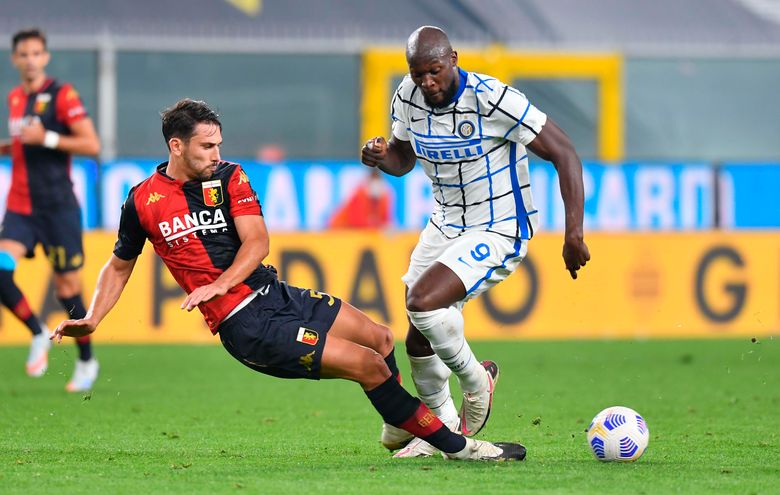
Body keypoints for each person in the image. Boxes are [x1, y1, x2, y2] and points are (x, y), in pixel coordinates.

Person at [52, 98, 526, 462]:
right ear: (176, 146)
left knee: (381, 339)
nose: (218, 153)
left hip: (272, 293)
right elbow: (119, 264)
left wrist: (220, 281)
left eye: (219, 143)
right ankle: (459, 448)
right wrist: (93, 316)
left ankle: (403, 429)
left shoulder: (230, 178)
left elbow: (257, 244)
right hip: (247, 325)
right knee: (369, 365)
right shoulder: (142, 202)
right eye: (206, 146)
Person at [361, 26, 591, 457]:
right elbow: (403, 158)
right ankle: (441, 432)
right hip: (445, 223)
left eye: (434, 71)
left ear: (453, 60)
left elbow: (564, 151)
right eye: (418, 73)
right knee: (416, 340)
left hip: (500, 225)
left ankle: (476, 380)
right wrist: (380, 158)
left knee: (423, 303)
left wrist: (574, 232)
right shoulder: (407, 96)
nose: (427, 82)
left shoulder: (492, 98)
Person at [0, 28, 101, 391]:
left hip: (57, 208)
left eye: (36, 53)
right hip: (21, 207)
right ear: (15, 59)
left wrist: (49, 138)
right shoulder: (14, 98)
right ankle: (38, 331)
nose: (29, 60)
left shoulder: (62, 95)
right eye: (23, 54)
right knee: (0, 268)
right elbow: (23, 145)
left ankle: (88, 361)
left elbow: (91, 144)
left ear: (45, 57)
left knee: (67, 288)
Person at [329, 168, 393, 229]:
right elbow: (356, 221)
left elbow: (385, 220)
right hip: (341, 229)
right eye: (373, 178)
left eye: (377, 178)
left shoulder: (385, 195)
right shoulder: (359, 194)